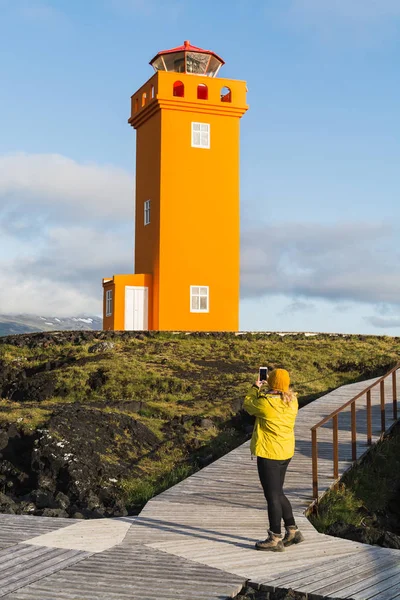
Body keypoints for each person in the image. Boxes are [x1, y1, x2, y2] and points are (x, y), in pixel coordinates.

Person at [243, 368, 304, 551]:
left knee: (272, 496)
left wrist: (256, 386)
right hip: (285, 452)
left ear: (271, 383)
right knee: (277, 492)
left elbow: (248, 404)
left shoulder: (266, 404)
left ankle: (275, 538)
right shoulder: (292, 400)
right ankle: (292, 531)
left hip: (269, 454)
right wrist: (267, 390)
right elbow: (273, 397)